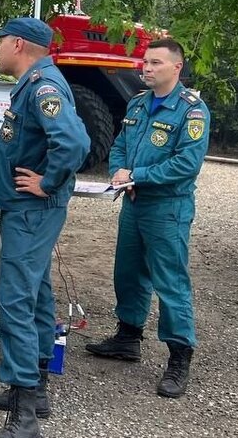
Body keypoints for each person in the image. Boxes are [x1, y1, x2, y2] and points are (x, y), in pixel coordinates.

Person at [85, 38, 210, 399]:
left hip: (166, 208)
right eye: (145, 61)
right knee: (128, 272)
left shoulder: (191, 111)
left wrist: (137, 176)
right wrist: (120, 170)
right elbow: (121, 143)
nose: (147, 67)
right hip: (134, 204)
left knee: (170, 282)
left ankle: (179, 357)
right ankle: (127, 338)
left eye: (155, 62)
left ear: (177, 67)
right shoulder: (139, 103)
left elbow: (187, 164)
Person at [0, 17, 89, 438]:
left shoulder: (44, 86)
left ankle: (23, 412)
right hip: (26, 208)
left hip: (32, 210)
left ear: (19, 44)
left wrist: (47, 182)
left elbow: (75, 143)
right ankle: (37, 387)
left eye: (0, 41)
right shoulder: (36, 82)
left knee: (15, 300)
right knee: (38, 292)